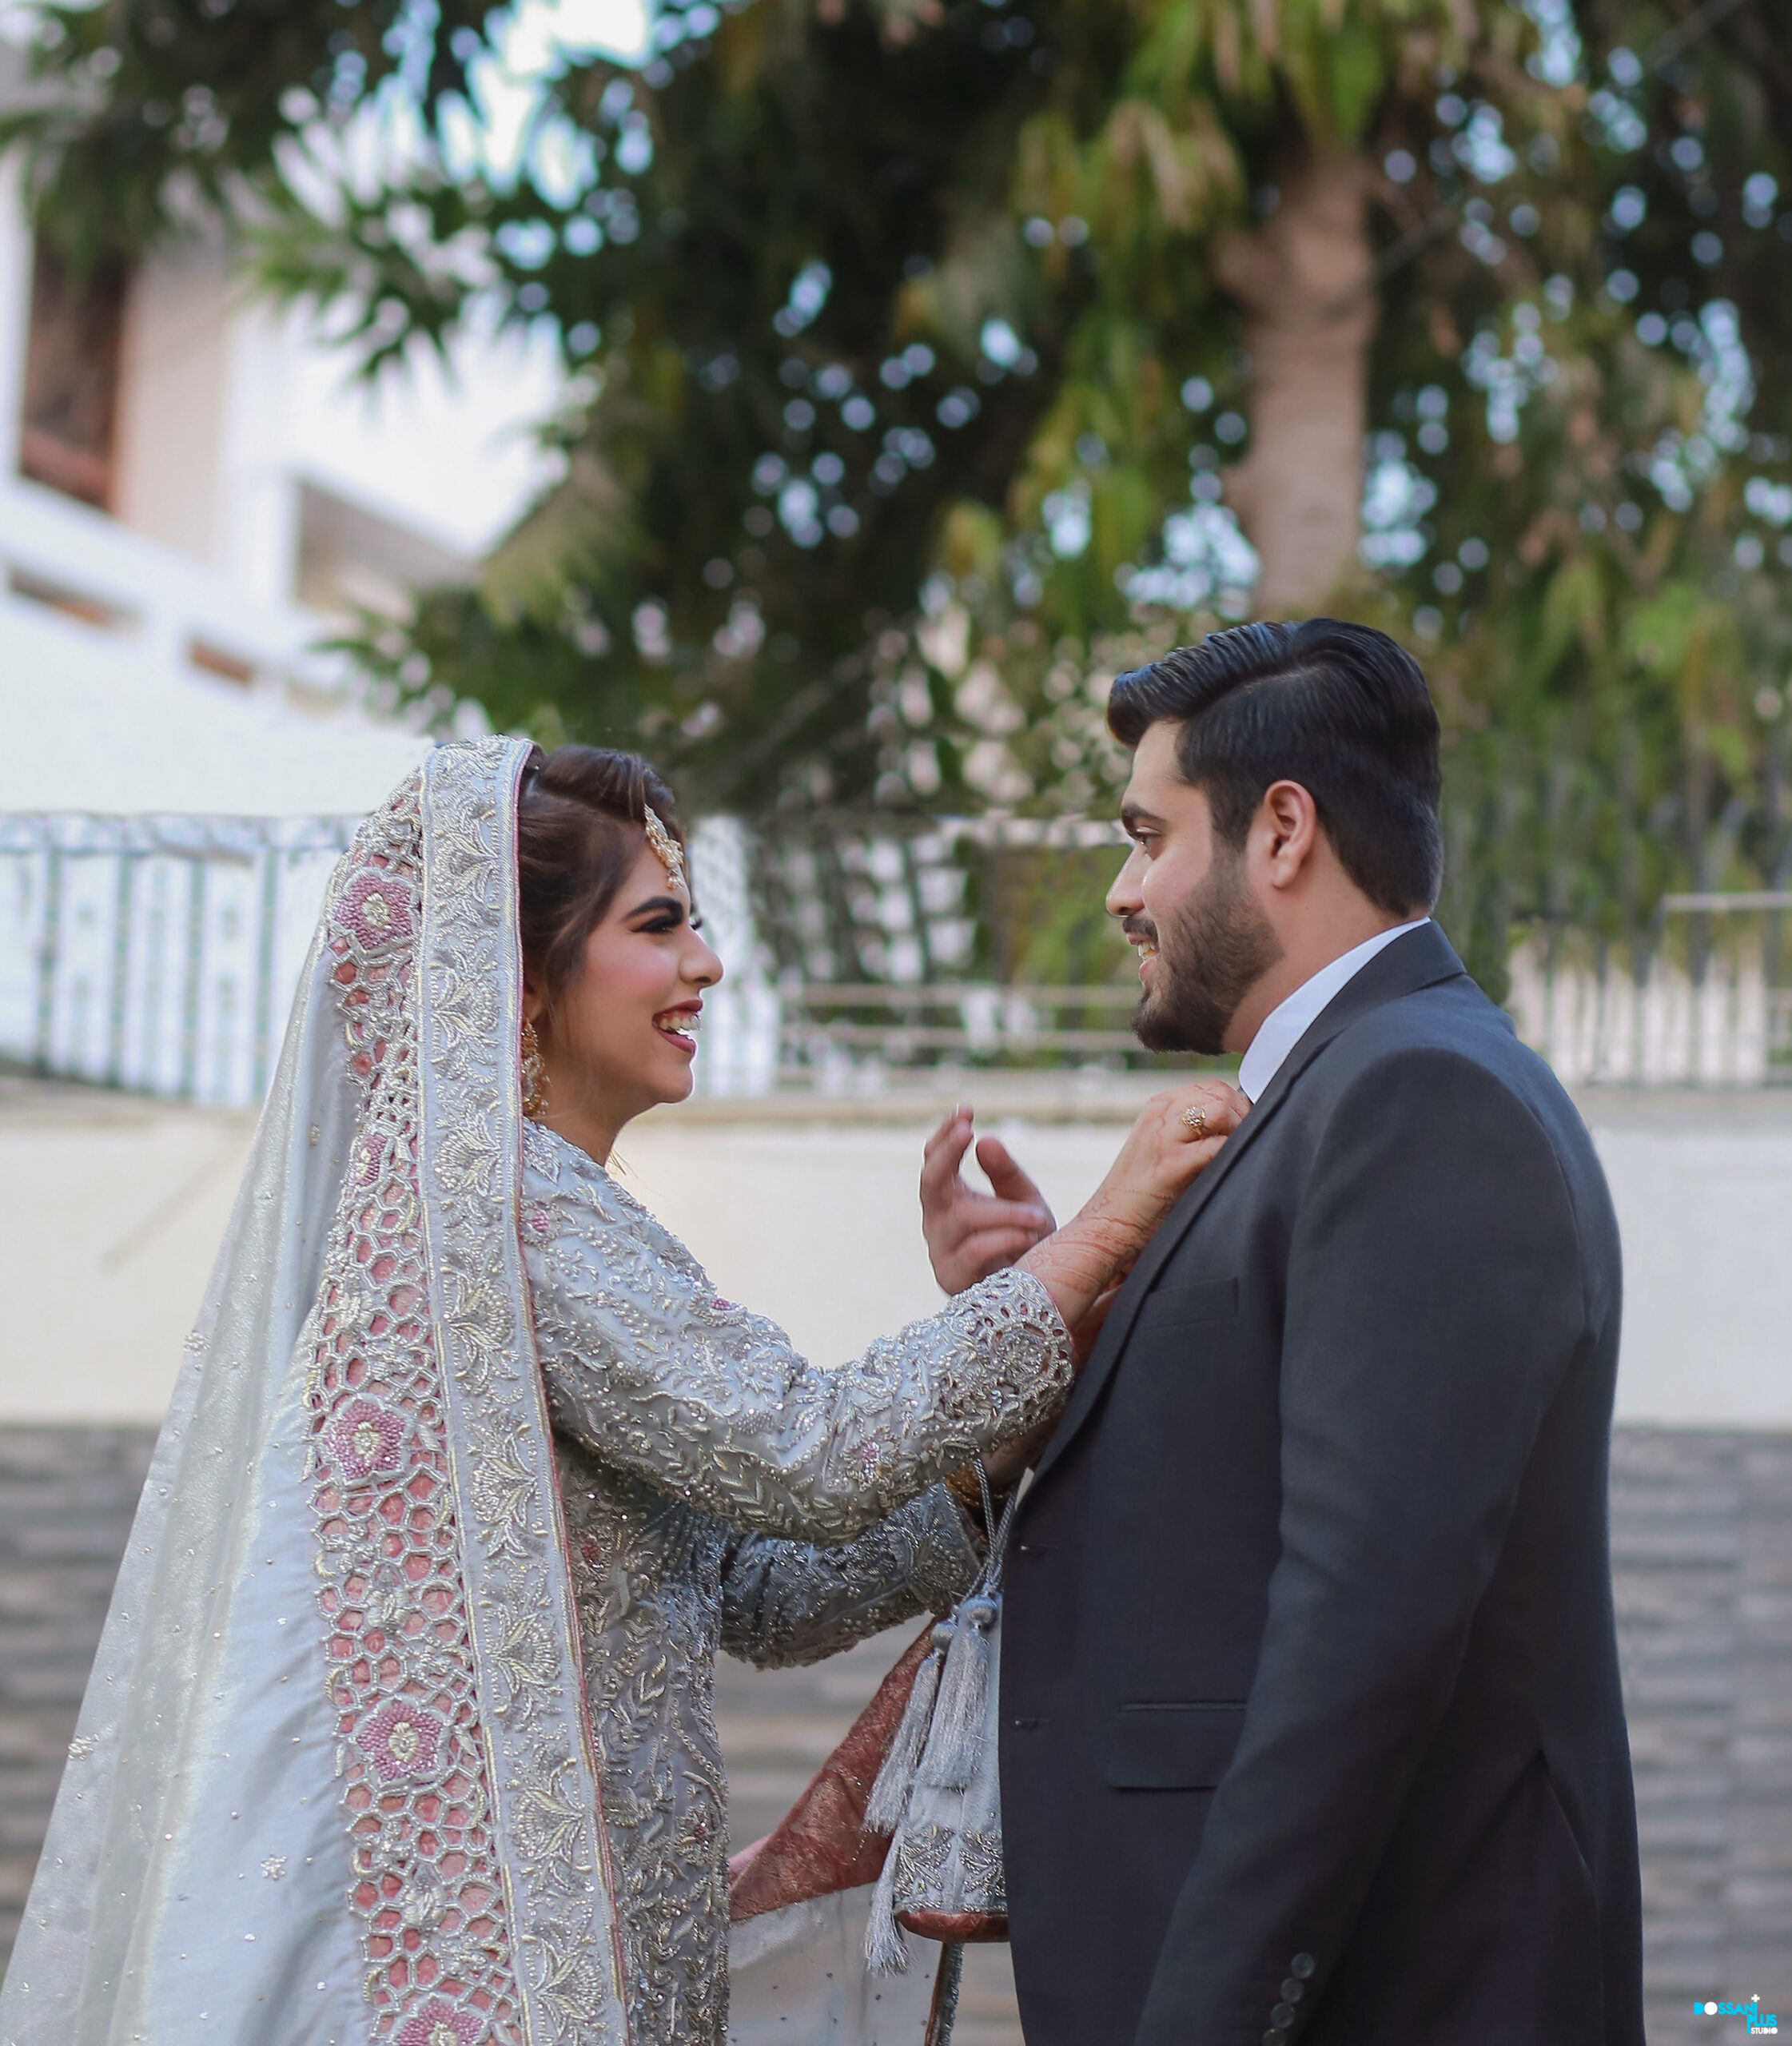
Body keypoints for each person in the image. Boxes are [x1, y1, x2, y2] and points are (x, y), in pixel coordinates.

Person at [0, 737, 1240, 2046]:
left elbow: (756, 1592)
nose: (706, 965)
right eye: (659, 927)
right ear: (521, 978)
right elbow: (807, 1449)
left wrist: (999, 1431)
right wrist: (1087, 1246)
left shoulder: (542, 1212)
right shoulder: (511, 1214)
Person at [924, 620, 1643, 2045]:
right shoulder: (1346, 1090)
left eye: (1146, 838)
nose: (1122, 892)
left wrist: (1208, 2017)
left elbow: (1358, 1637)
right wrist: (1061, 1328)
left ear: (1282, 832)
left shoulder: (1416, 1098)